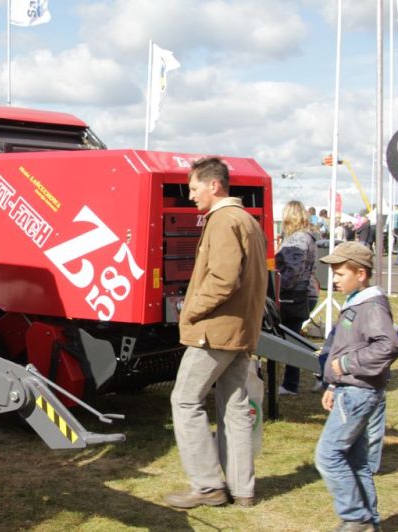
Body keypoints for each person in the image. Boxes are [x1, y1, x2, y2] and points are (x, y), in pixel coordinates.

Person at [164, 157, 268, 509]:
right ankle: (242, 490)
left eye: (194, 188)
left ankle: (208, 486)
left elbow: (224, 279)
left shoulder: (223, 221)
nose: (190, 195)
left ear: (214, 185)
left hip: (215, 332)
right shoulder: (247, 221)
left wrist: (189, 310)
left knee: (184, 399)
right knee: (235, 408)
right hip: (239, 331)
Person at [314, 242, 398, 532]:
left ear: (360, 273)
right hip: (349, 390)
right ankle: (370, 523)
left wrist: (347, 366)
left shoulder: (370, 306)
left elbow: (388, 345)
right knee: (355, 459)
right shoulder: (356, 302)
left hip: (359, 393)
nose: (334, 279)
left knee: (328, 455)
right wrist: (333, 385)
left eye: (339, 273)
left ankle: (355, 518)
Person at [275, 201, 319, 396]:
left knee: (290, 340)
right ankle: (320, 373)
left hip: (295, 295)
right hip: (304, 292)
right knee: (293, 338)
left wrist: (276, 289)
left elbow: (292, 272)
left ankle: (292, 384)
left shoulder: (297, 240)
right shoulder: (306, 237)